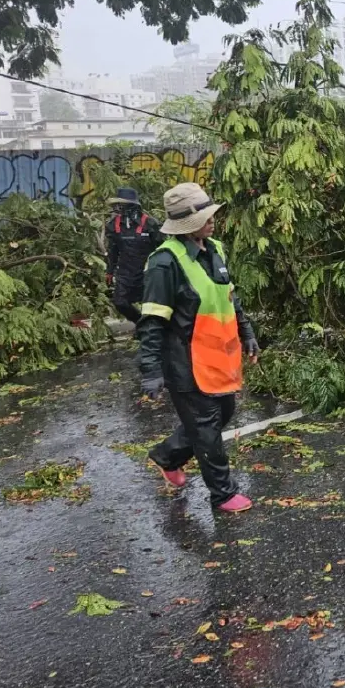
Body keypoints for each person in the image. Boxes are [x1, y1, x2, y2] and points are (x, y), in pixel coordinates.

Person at [138, 182, 259, 513]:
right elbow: (152, 321)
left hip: (218, 357)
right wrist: (150, 370)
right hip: (184, 361)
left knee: (225, 412)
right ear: (187, 223)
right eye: (205, 217)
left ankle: (168, 456)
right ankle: (222, 493)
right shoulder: (165, 263)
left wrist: (247, 331)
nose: (213, 221)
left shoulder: (214, 249)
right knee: (205, 426)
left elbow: (229, 297)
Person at [104, 187, 162, 324]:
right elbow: (112, 250)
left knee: (150, 305)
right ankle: (141, 323)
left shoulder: (150, 224)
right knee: (120, 302)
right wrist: (109, 271)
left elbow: (162, 248)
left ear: (131, 205)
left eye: (121, 204)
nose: (118, 207)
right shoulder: (113, 225)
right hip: (125, 273)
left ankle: (152, 329)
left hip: (146, 272)